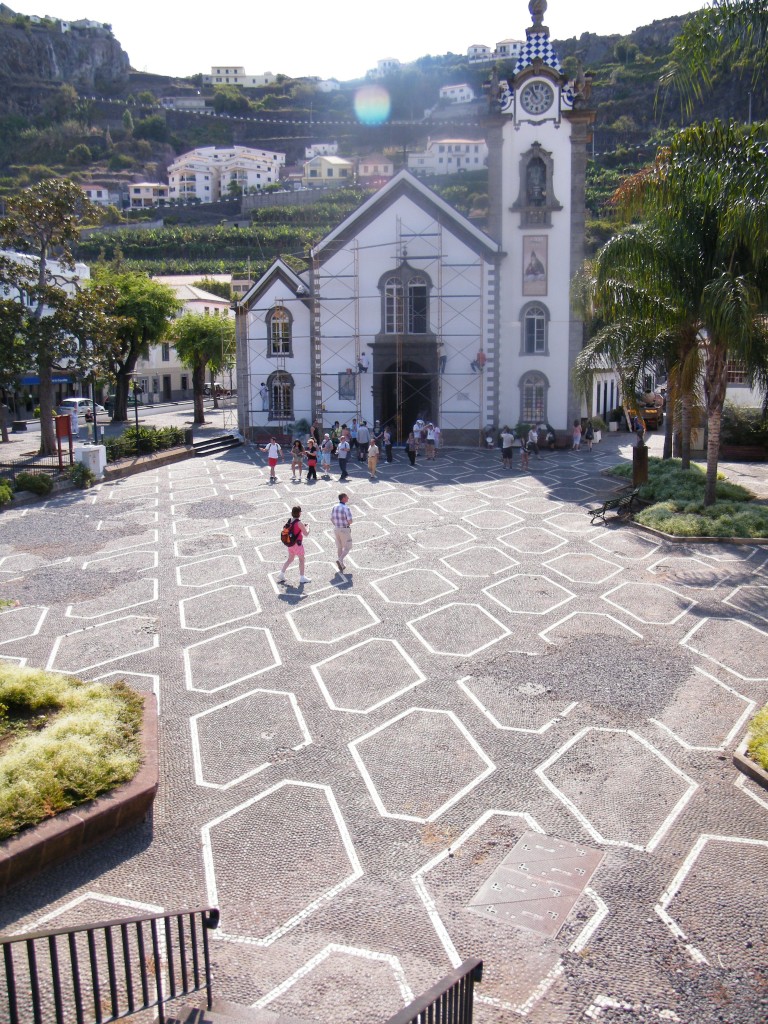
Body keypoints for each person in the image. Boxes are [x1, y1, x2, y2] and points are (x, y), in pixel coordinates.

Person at [277, 505, 311, 585]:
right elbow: (306, 533)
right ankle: (302, 577)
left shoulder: (290, 520)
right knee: (302, 560)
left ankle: (281, 574)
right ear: (299, 513)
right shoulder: (299, 523)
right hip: (297, 545)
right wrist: (308, 527)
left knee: (290, 559)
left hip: (290, 544)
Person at [331, 492, 353, 572]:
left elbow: (332, 518)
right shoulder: (346, 508)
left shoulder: (334, 507)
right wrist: (348, 522)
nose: (348, 498)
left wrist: (336, 524)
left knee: (339, 547)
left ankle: (341, 565)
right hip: (344, 529)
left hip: (336, 528)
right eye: (347, 497)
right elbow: (350, 521)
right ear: (343, 498)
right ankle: (340, 560)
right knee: (348, 547)